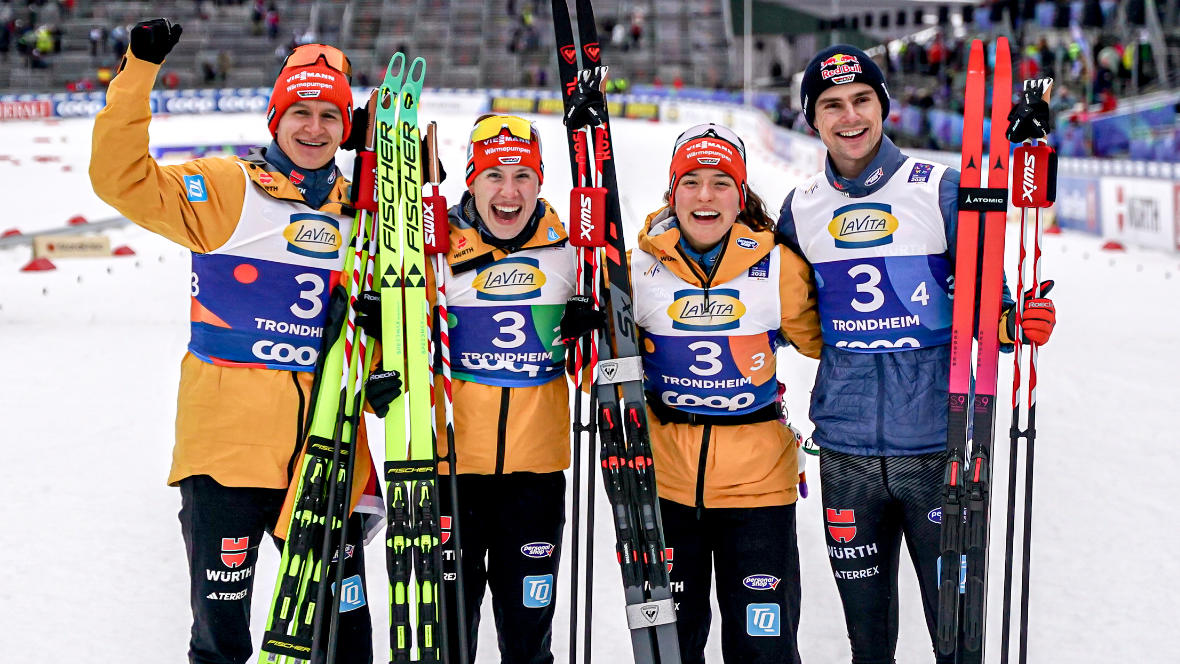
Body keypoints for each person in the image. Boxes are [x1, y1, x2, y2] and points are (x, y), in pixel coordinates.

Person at [89, 19, 392, 664]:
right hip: (227, 451)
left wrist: (382, 369)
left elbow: (403, 306)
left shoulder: (367, 213)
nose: (313, 130)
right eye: (300, 113)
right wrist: (137, 71)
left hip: (328, 448)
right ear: (274, 118)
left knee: (345, 641)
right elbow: (123, 180)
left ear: (347, 128)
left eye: (330, 117)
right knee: (223, 641)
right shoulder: (227, 189)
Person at [775, 45, 1058, 664]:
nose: (850, 118)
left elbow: (990, 314)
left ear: (885, 106)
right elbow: (767, 308)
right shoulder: (799, 211)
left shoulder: (940, 190)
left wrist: (1019, 322)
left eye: (862, 101)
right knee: (867, 642)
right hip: (847, 454)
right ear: (811, 119)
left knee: (956, 639)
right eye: (831, 106)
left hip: (938, 446)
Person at [629, 124, 823, 664]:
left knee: (763, 649)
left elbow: (831, 345)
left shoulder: (779, 267)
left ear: (741, 195)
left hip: (760, 488)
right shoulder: (636, 269)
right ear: (673, 192)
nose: (705, 196)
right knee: (672, 647)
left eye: (721, 182)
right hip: (666, 484)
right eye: (691, 181)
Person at [430, 115, 579, 664]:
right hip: (449, 475)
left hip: (534, 483)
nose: (509, 191)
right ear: (471, 180)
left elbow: (602, 364)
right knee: (448, 640)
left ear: (541, 183)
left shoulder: (571, 252)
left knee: (527, 643)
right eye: (494, 175)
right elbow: (397, 349)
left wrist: (595, 333)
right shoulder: (433, 250)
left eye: (523, 176)